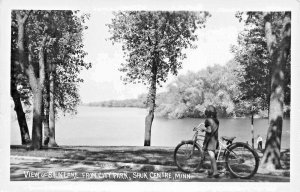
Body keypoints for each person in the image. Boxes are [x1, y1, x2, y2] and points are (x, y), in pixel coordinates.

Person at [199, 105, 219, 178]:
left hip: (210, 140)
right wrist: (205, 129)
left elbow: (209, 130)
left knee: (212, 156)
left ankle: (216, 171)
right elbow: (212, 129)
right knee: (212, 155)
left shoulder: (207, 120)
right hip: (215, 139)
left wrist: (203, 129)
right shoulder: (216, 120)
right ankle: (211, 170)